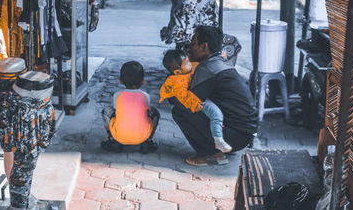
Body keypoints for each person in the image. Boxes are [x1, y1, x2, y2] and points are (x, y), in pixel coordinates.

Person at [170, 26, 258, 166]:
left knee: (179, 110)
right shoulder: (222, 62)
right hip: (245, 135)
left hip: (235, 137)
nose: (189, 48)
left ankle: (203, 154)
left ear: (204, 46)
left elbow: (190, 103)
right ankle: (218, 150)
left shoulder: (207, 68)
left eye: (193, 44)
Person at [160, 50, 232, 153]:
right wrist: (195, 104)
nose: (190, 63)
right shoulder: (177, 81)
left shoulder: (189, 69)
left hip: (204, 96)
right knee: (216, 114)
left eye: (188, 61)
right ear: (177, 72)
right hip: (199, 101)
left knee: (217, 116)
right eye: (187, 63)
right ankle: (218, 140)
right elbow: (183, 96)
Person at [101, 61, 160, 153]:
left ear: (120, 80)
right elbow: (146, 113)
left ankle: (113, 141)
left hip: (119, 136)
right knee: (155, 112)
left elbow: (116, 111)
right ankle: (147, 142)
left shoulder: (117, 95)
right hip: (142, 136)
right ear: (142, 81)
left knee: (106, 111)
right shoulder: (145, 96)